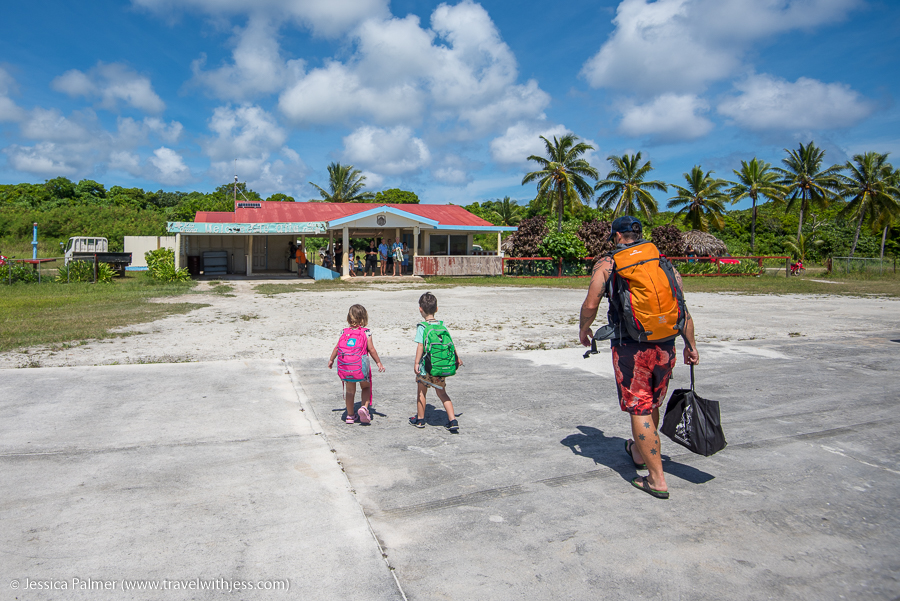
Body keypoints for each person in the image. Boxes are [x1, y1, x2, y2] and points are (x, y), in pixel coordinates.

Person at [578, 215, 699, 500]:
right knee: (652, 402)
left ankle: (656, 479)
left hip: (631, 346)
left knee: (640, 408)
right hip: (666, 343)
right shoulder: (662, 262)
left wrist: (584, 329)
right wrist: (691, 345)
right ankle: (639, 452)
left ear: (618, 236)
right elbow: (681, 306)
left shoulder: (609, 263)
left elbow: (591, 302)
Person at [410, 292, 462, 433]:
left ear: (420, 309)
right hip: (439, 365)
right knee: (442, 393)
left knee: (421, 392)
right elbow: (450, 343)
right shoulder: (441, 325)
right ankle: (452, 420)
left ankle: (420, 419)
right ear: (437, 309)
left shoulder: (422, 326)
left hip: (425, 367)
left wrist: (416, 363)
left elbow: (420, 346)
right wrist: (457, 358)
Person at [328, 304, 385, 424]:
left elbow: (337, 348)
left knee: (349, 391)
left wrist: (331, 359)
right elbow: (371, 349)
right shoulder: (366, 332)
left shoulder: (343, 332)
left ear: (349, 318)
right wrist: (378, 362)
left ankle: (350, 416)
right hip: (361, 367)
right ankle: (364, 407)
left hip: (347, 367)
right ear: (364, 318)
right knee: (366, 387)